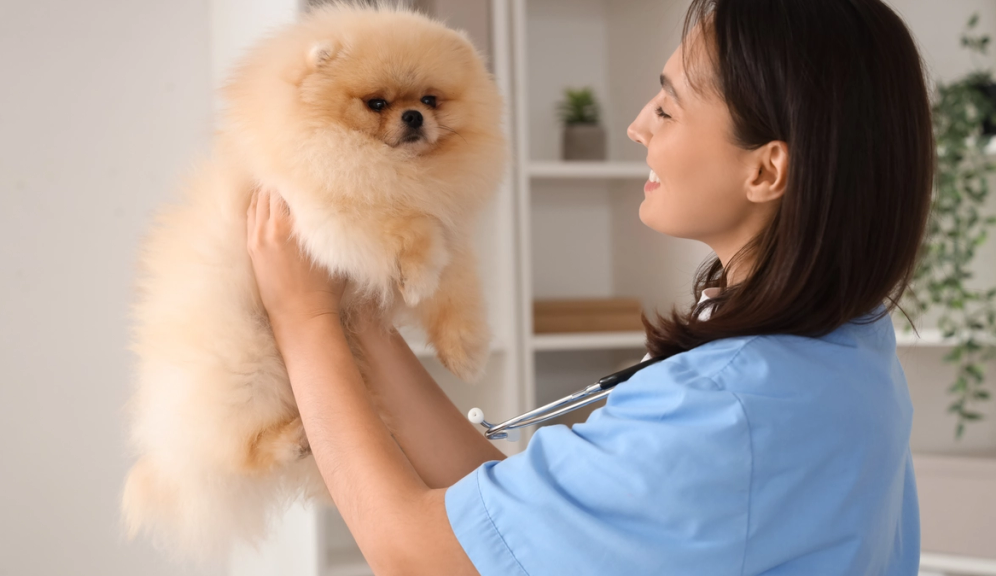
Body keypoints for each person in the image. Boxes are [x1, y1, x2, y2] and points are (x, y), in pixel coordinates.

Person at [245, 0, 935, 574]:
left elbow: (415, 554)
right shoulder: (849, 344)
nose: (637, 126)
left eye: (668, 108)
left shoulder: (724, 411)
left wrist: (303, 318)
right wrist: (361, 319)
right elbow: (511, 527)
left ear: (765, 171)